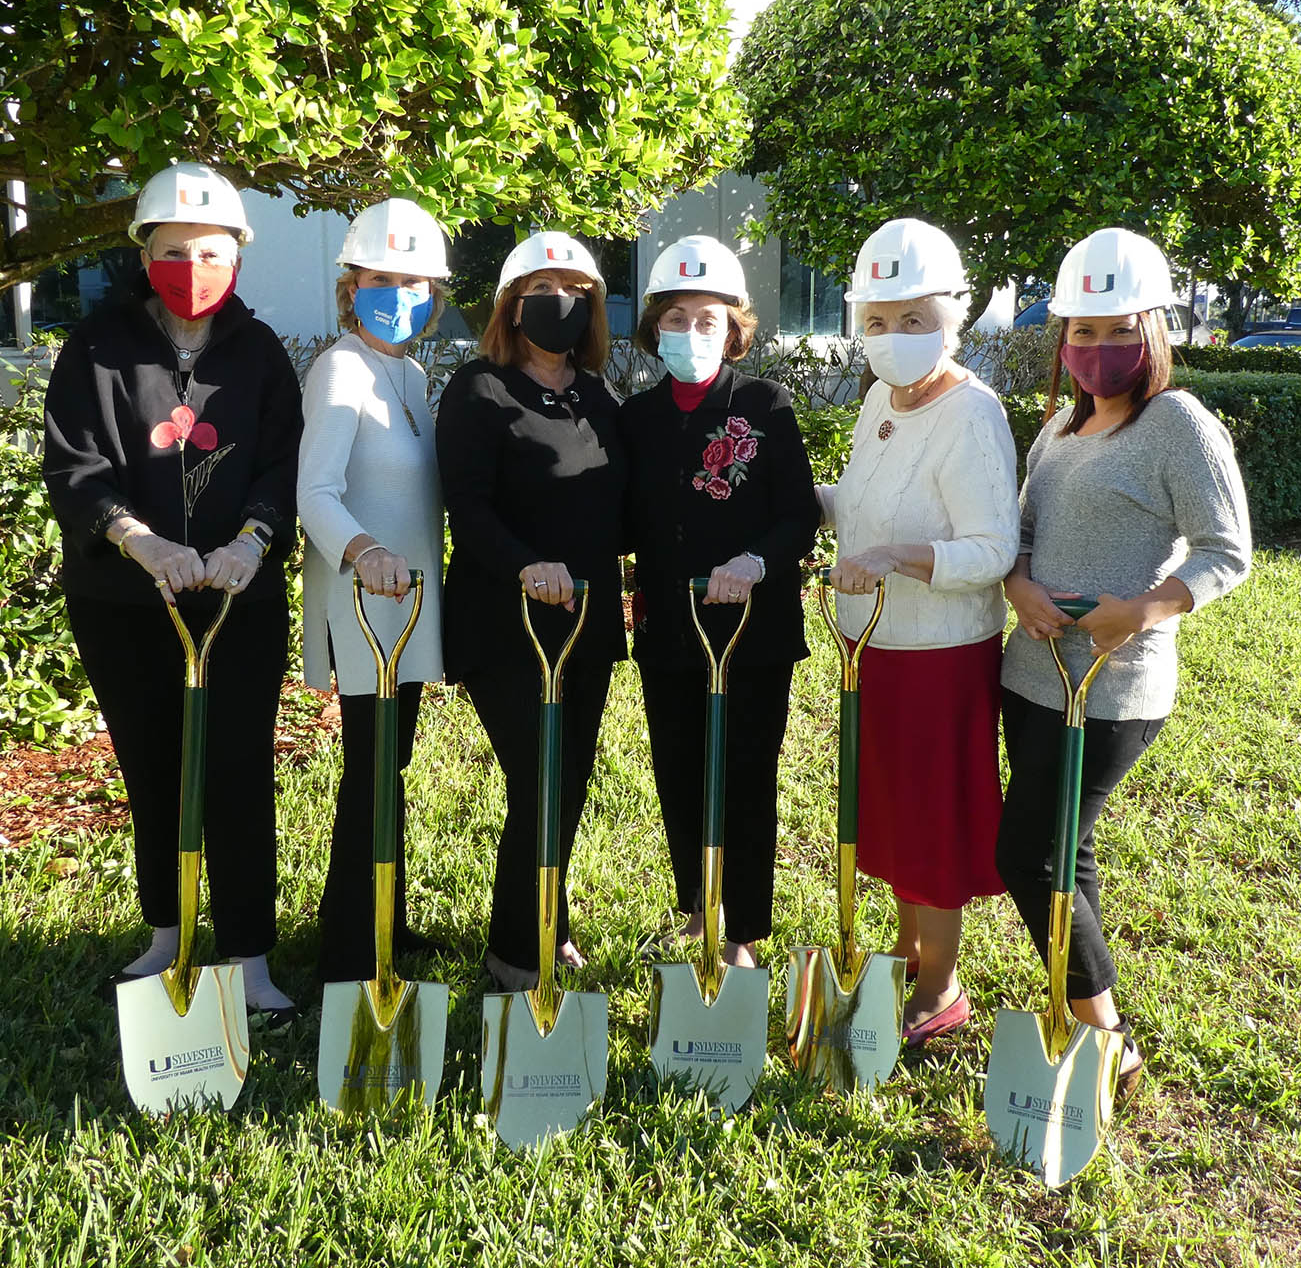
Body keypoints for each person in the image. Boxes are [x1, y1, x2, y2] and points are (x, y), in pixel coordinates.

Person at [43, 162, 302, 1026]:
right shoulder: (96, 349)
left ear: (239, 258)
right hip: (123, 604)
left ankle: (249, 955)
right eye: (174, 250)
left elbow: (281, 462)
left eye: (212, 251)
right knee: (151, 766)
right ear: (143, 254)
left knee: (238, 770)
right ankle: (167, 933)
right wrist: (139, 540)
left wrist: (253, 540)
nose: (194, 266)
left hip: (237, 602)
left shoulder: (260, 354)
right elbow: (75, 468)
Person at [996, 227, 1251, 1094]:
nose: (1099, 347)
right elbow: (1021, 534)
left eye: (1118, 330)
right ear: (1063, 339)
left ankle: (1107, 1037)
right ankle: (1086, 1021)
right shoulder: (1059, 429)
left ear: (1153, 331)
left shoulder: (1178, 424)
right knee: (1066, 853)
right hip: (1033, 676)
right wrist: (1019, 586)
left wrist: (1143, 610)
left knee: (1029, 856)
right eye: (1084, 331)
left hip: (1114, 687)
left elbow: (1227, 550)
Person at [817, 217, 1020, 1046]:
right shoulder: (880, 400)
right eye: (878, 319)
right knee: (895, 813)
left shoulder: (972, 413)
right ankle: (907, 951)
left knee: (932, 821)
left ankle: (940, 985)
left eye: (913, 318)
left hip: (941, 655)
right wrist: (795, 498)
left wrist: (897, 557)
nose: (893, 334)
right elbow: (863, 499)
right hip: (875, 646)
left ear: (952, 318)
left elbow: (993, 547)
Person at [435, 231, 627, 991]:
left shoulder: (598, 394)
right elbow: (467, 507)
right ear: (511, 307)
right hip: (506, 621)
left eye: (576, 291)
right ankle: (516, 950)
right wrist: (526, 564)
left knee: (569, 779)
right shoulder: (479, 389)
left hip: (586, 621)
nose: (561, 302)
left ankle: (550, 918)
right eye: (542, 288)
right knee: (541, 778)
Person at [621, 236, 819, 968]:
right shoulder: (635, 418)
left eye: (708, 320)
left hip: (752, 631)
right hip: (669, 628)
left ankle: (742, 933)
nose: (692, 332)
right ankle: (698, 907)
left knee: (745, 774)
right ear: (655, 328)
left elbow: (798, 513)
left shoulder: (765, 405)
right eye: (676, 318)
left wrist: (754, 561)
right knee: (679, 772)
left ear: (734, 329)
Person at [298, 198, 452, 982]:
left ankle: (377, 913)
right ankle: (351, 951)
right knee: (369, 770)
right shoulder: (341, 368)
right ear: (350, 285)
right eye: (382, 278)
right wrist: (364, 552)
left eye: (414, 282)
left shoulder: (411, 375)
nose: (400, 294)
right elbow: (315, 492)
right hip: (363, 605)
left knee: (387, 765)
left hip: (408, 608)